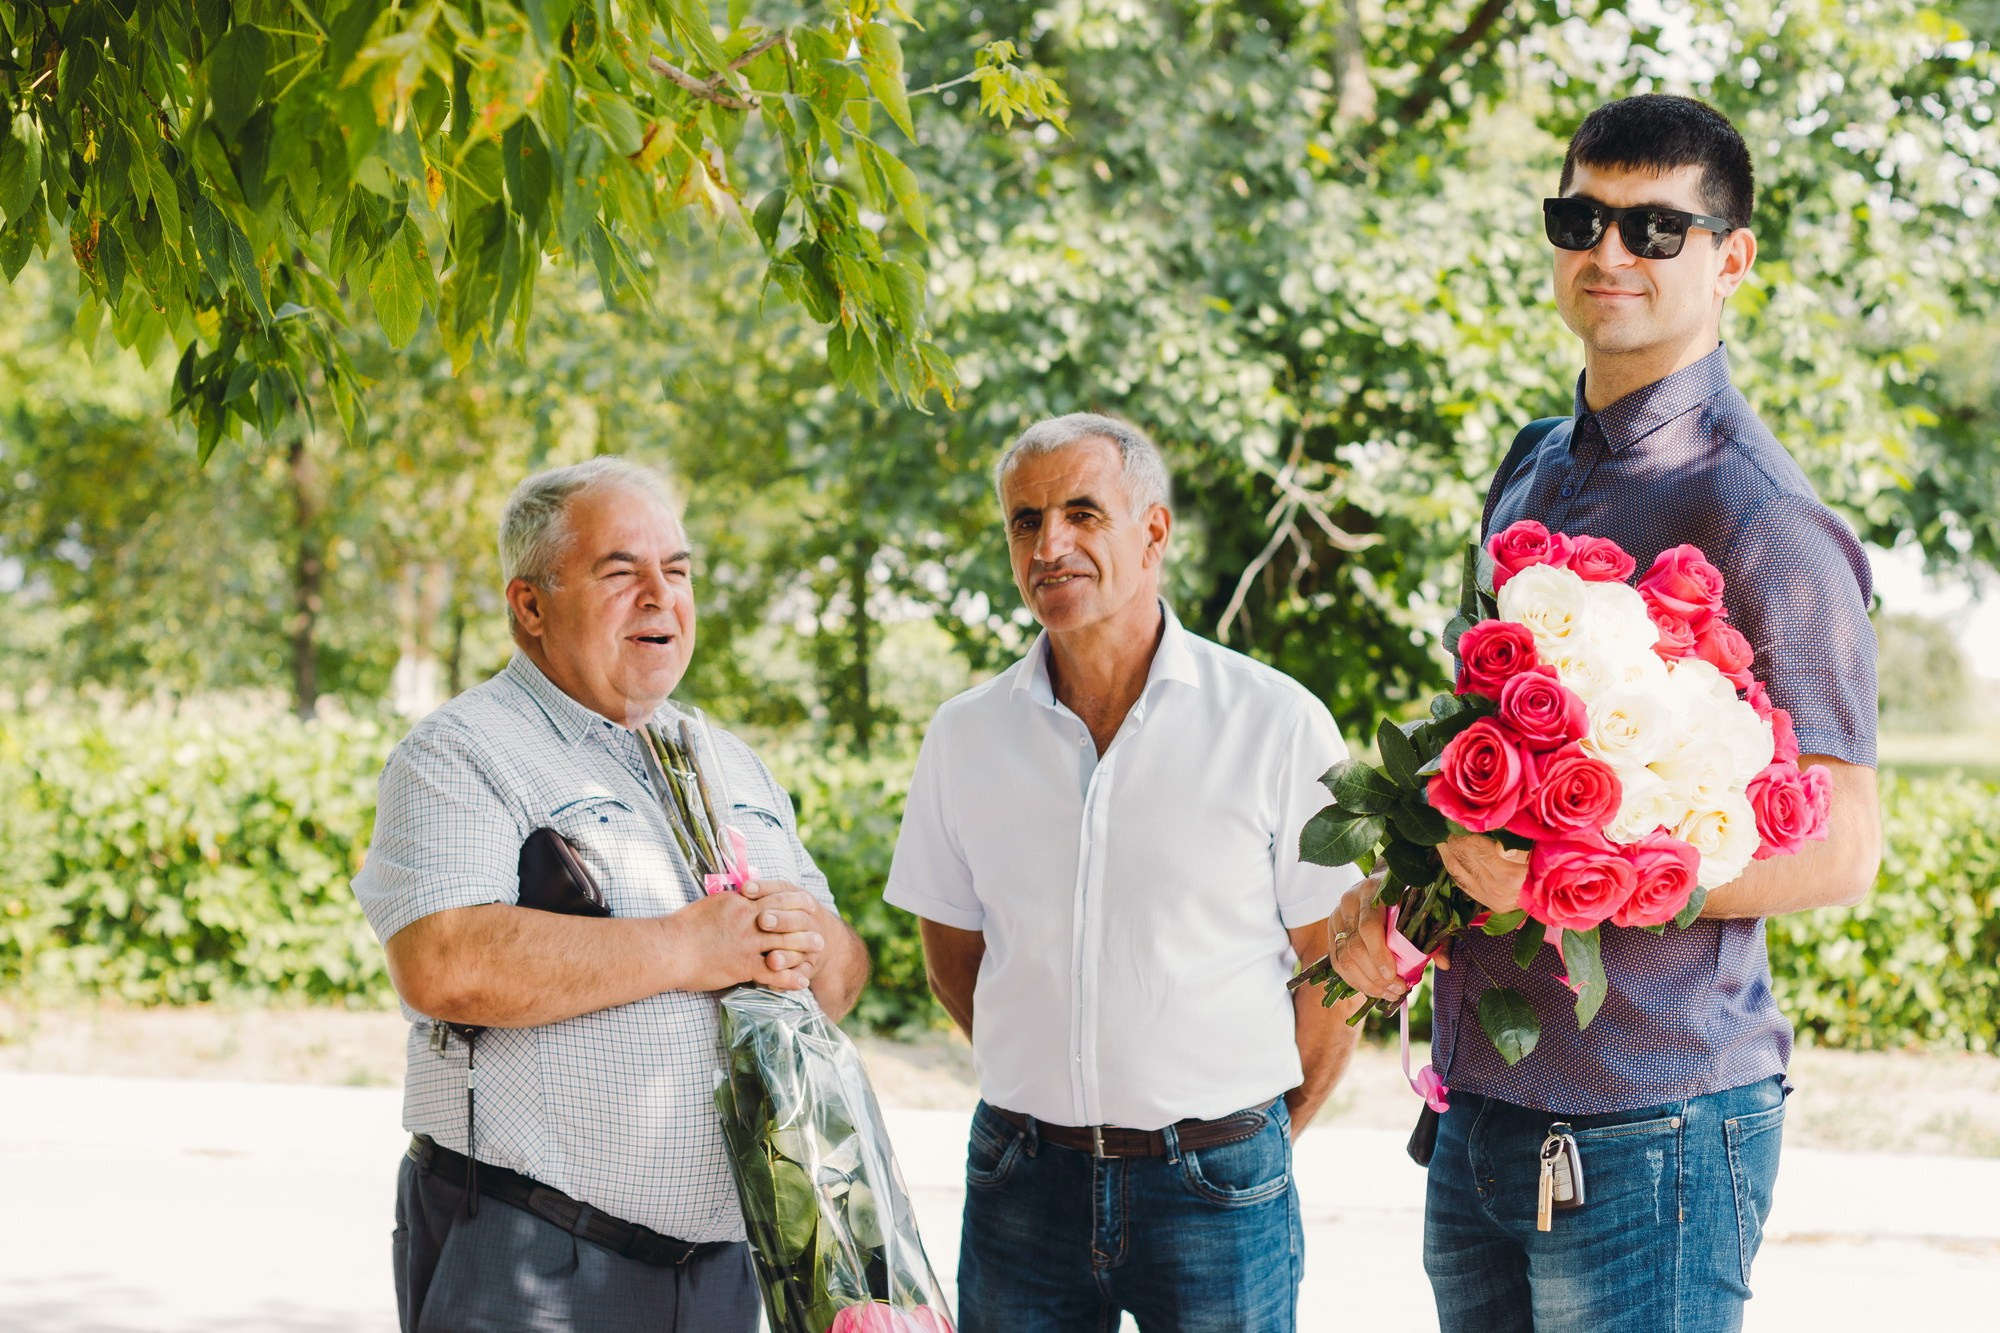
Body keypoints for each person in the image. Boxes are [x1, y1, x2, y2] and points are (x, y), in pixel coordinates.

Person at [1325, 95, 1882, 1332]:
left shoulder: (1759, 517)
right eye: (1579, 217)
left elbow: (1840, 847)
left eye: (1652, 228)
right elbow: (1496, 762)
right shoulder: (1532, 461)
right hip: (1482, 1101)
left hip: (1650, 1120)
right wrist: (1413, 897)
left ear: (1731, 257)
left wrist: (1581, 878)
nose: (1607, 252)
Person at [352, 457, 870, 1333]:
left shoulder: (733, 763)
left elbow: (844, 980)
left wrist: (807, 938)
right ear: (530, 605)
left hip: (724, 1272)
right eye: (620, 571)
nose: (660, 595)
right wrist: (688, 946)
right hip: (531, 1260)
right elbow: (442, 963)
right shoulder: (461, 751)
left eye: (677, 569)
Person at [885, 412, 1368, 1332]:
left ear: (1153, 531)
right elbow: (954, 955)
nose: (1050, 544)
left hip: (1216, 1185)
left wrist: (1248, 1139)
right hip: (1021, 1184)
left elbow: (1335, 967)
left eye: (1081, 512)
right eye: (1026, 521)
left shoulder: (1275, 723)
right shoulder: (965, 735)